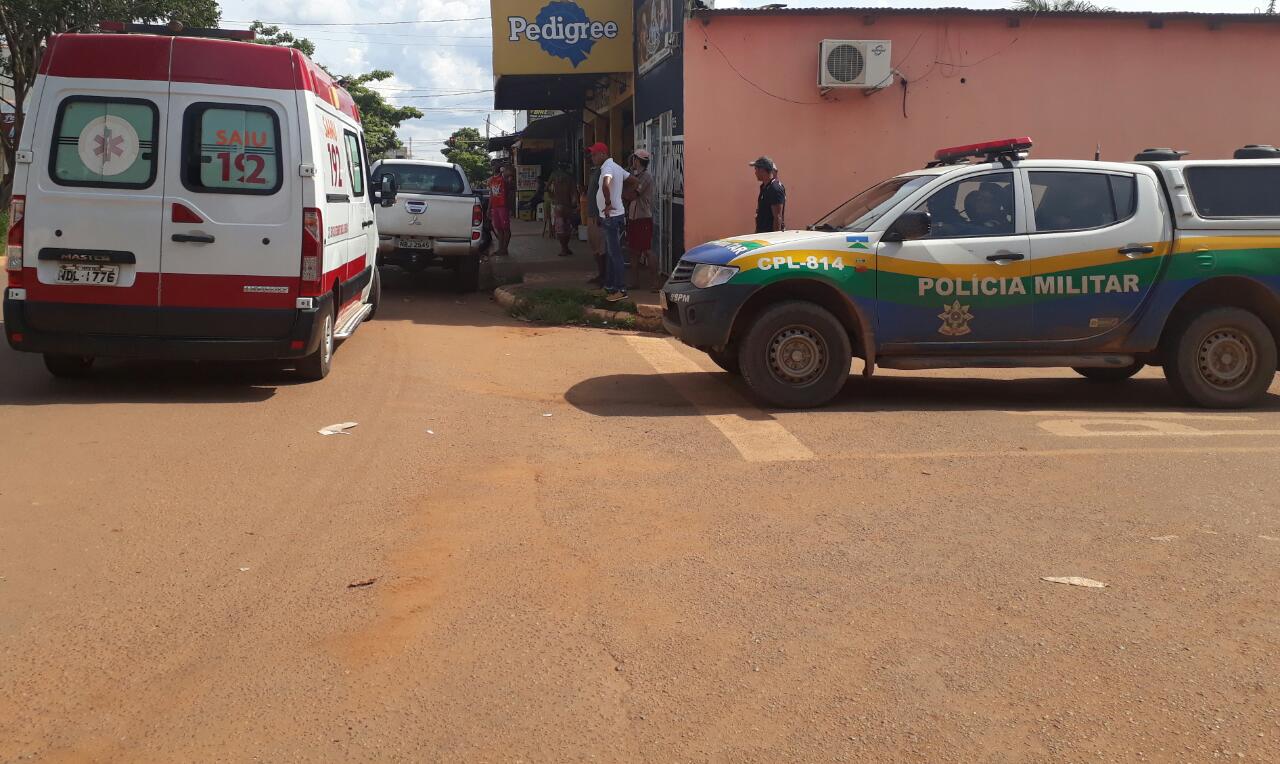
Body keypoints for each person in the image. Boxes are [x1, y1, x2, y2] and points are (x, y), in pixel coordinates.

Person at [590, 141, 630, 302]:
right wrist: (626, 195)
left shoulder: (607, 168)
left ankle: (621, 289)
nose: (592, 157)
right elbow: (634, 181)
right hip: (612, 216)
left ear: (603, 154)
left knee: (615, 255)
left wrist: (608, 203)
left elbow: (606, 184)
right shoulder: (616, 167)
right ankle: (609, 287)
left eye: (594, 154)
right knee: (610, 254)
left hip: (612, 217)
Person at [625, 150, 657, 291]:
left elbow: (633, 195)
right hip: (634, 217)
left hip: (643, 217)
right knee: (633, 251)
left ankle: (655, 283)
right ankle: (635, 282)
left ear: (638, 160)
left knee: (647, 250)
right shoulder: (636, 175)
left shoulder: (646, 177)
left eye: (634, 159)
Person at [751, 156, 786, 233]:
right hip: (761, 232)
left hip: (769, 235)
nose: (755, 172)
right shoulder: (764, 187)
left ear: (762, 170)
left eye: (756, 169)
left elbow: (777, 217)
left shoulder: (775, 189)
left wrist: (775, 237)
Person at [547, 163, 575, 257]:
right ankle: (566, 247)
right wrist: (575, 204)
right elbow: (574, 192)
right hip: (567, 205)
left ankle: (563, 248)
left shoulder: (554, 175)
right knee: (567, 227)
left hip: (558, 204)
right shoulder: (570, 177)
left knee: (560, 228)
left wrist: (552, 196)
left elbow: (547, 188)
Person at [487, 163, 513, 256]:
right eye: (493, 166)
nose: (493, 168)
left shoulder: (504, 178)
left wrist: (503, 169)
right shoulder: (491, 180)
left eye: (495, 166)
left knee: (505, 228)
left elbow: (510, 172)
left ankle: (504, 249)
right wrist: (489, 208)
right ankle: (500, 249)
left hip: (503, 206)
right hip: (495, 207)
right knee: (499, 228)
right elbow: (491, 195)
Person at [585, 163, 604, 284]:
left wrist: (600, 213)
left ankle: (604, 276)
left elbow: (605, 192)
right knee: (594, 247)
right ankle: (601, 274)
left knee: (601, 248)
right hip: (592, 214)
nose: (592, 158)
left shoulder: (603, 171)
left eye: (594, 155)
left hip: (597, 215)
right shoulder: (594, 172)